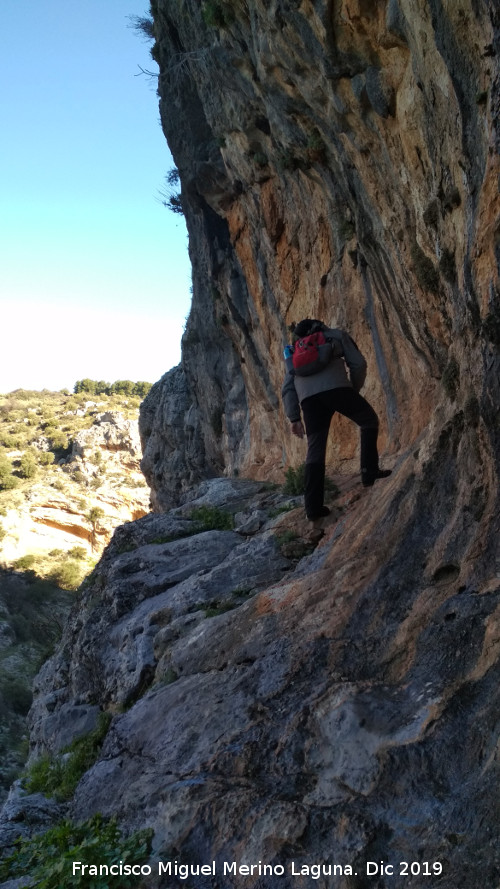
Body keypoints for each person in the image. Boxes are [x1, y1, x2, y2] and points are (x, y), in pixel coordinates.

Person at [281, 318, 391, 520]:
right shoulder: (335, 336)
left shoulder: (294, 351)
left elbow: (288, 387)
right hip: (337, 389)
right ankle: (369, 472)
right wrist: (352, 389)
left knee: (315, 449)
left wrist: (294, 417)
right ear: (321, 326)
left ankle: (313, 509)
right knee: (368, 421)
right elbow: (359, 363)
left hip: (309, 400)